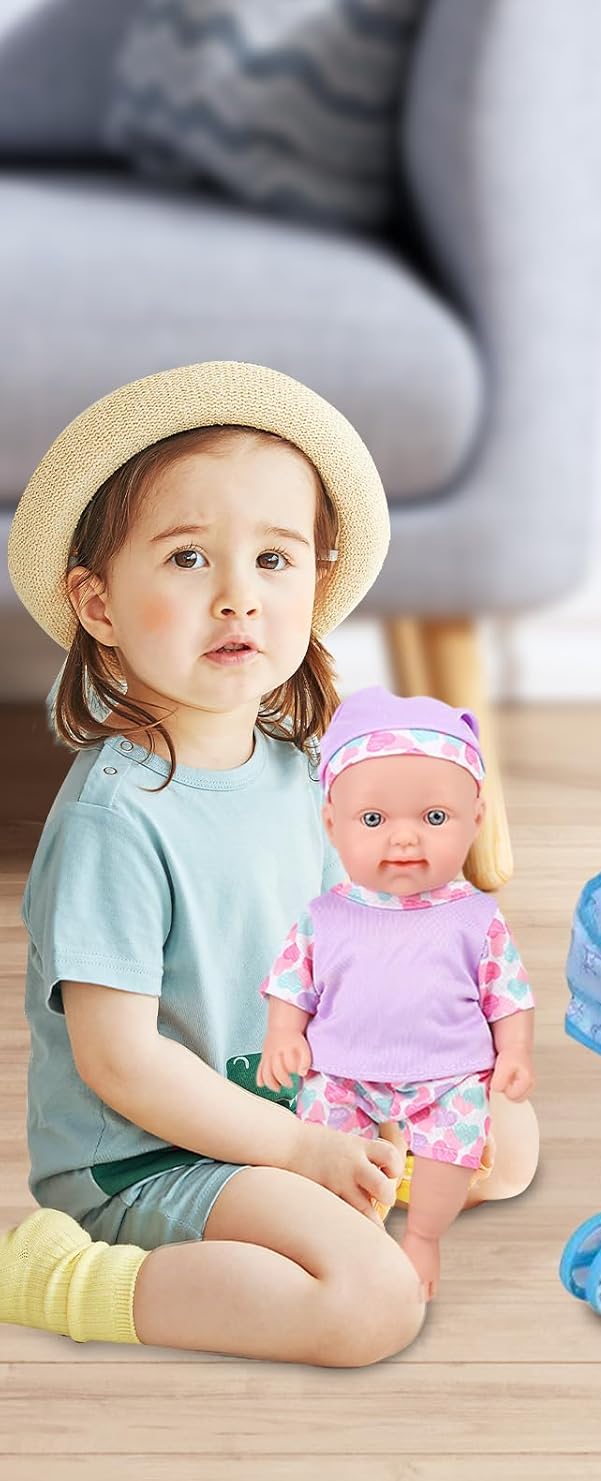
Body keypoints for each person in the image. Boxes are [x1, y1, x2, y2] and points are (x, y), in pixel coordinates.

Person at [0, 362, 437, 1364]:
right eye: (190, 558)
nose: (240, 597)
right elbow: (121, 1063)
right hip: (145, 1162)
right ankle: (55, 1276)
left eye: (274, 559)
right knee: (370, 1303)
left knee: (503, 1138)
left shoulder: (298, 772)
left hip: (271, 1117)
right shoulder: (117, 821)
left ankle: (321, 1191)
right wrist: (301, 1150)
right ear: (98, 605)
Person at [258, 685, 536, 1300]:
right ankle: (351, 1232)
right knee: (330, 1140)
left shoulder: (476, 918)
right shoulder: (325, 916)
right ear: (332, 825)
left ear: (475, 821)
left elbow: (508, 995)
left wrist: (513, 1051)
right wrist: (283, 1035)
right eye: (374, 820)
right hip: (343, 1074)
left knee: (463, 1154)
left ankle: (424, 1236)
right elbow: (291, 983)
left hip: (447, 1075)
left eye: (434, 818)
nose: (404, 839)